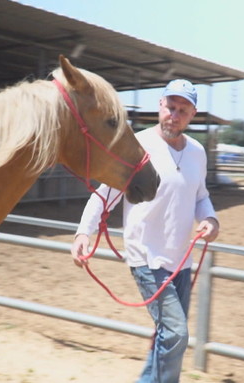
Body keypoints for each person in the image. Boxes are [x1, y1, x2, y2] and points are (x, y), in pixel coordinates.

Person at [70, 79, 220, 383]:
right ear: (159, 106)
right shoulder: (137, 147)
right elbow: (104, 193)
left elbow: (201, 196)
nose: (174, 115)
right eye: (170, 107)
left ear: (192, 115)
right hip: (147, 258)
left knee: (167, 336)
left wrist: (211, 220)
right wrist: (83, 232)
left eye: (182, 110)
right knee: (176, 333)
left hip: (181, 261)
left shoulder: (198, 153)